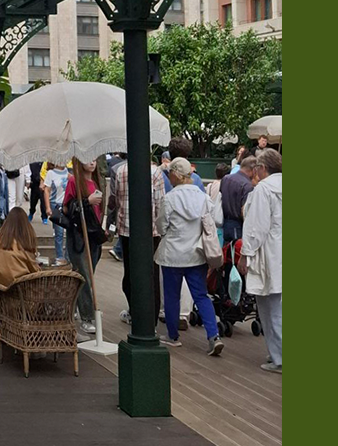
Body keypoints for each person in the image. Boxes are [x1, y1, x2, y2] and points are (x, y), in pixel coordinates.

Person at [154, 158, 224, 356]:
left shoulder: (170, 198)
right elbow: (212, 221)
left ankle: (173, 335)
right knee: (201, 295)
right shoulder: (203, 197)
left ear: (175, 175)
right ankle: (213, 336)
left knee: (172, 295)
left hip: (172, 254)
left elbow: (161, 226)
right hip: (197, 254)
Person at [239, 150, 282, 374]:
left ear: (263, 168)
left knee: (269, 309)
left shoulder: (263, 190)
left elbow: (256, 227)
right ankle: (277, 352)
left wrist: (245, 253)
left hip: (270, 253)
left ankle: (279, 357)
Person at [111, 152, 166, 325]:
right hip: (151, 231)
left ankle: (134, 311)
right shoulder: (155, 172)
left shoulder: (120, 171)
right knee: (151, 275)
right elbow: (160, 203)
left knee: (130, 273)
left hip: (126, 229)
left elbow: (117, 199)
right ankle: (151, 319)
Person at [60, 158, 106, 337]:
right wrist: (87, 201)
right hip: (79, 234)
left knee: (87, 274)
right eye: (88, 159)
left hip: (94, 234)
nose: (92, 163)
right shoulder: (74, 181)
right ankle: (87, 316)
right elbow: (66, 208)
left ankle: (74, 308)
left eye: (94, 159)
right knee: (84, 276)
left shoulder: (96, 182)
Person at [0, 207, 41, 343]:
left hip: (1, 286)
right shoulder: (22, 246)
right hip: (21, 289)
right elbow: (34, 270)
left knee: (3, 298)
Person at [220, 157, 256, 245]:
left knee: (227, 249)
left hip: (225, 220)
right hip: (238, 224)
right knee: (236, 249)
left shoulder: (225, 178)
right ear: (253, 170)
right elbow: (245, 210)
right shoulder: (247, 186)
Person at [42, 161, 70, 265]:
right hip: (56, 205)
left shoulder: (68, 173)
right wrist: (48, 207)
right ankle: (60, 256)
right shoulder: (51, 173)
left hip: (67, 205)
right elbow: (47, 190)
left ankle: (68, 256)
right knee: (59, 232)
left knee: (69, 232)